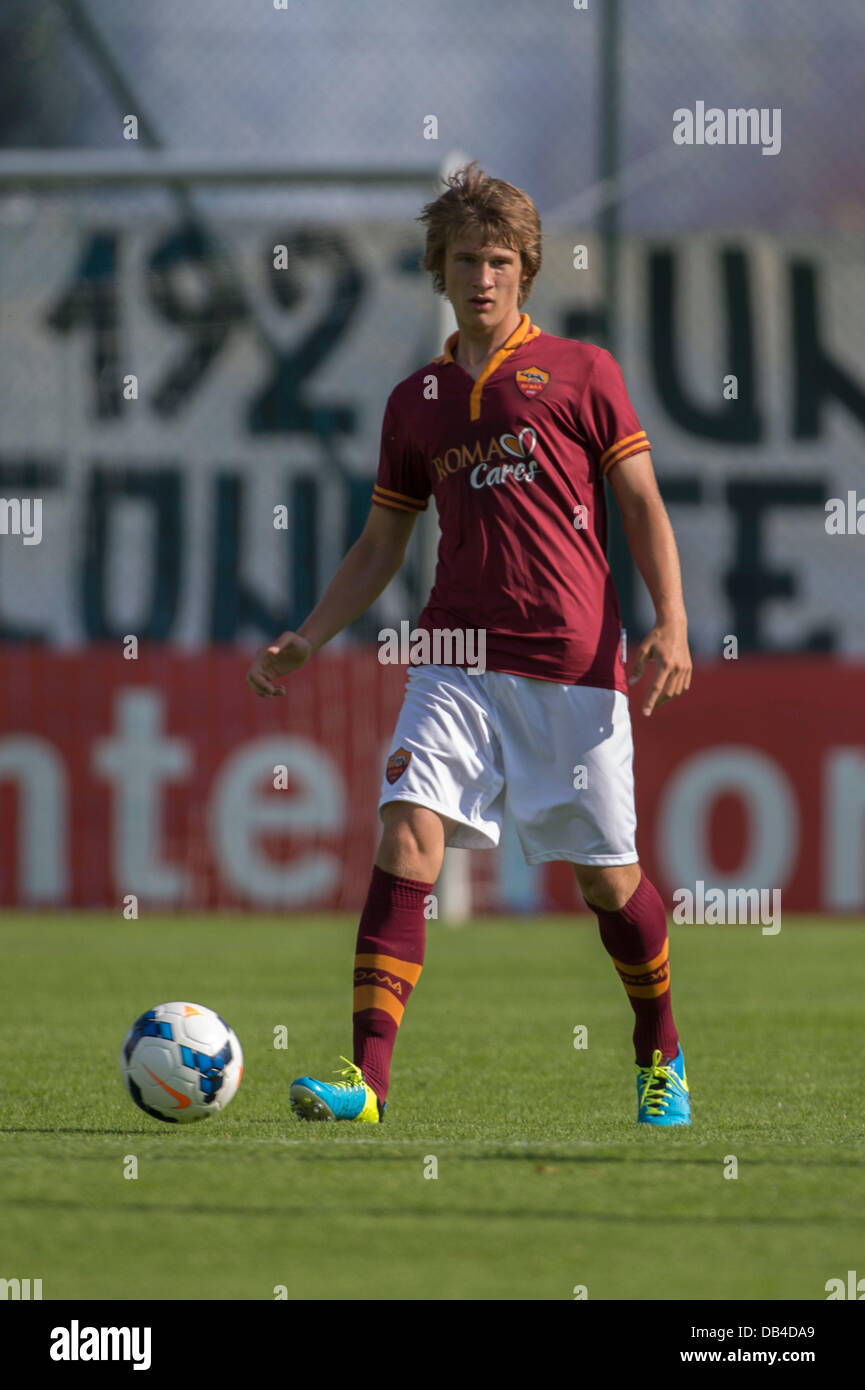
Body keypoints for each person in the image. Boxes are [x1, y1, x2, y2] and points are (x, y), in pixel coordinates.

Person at [245, 163, 693, 1127]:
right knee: (405, 830)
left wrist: (674, 621)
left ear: (525, 269)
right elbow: (380, 543)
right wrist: (309, 637)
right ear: (438, 271)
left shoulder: (583, 372)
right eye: (463, 260)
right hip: (451, 656)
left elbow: (641, 502)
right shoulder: (417, 401)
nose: (481, 276)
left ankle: (660, 1053)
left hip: (570, 662)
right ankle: (367, 1081)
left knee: (606, 880)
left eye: (497, 259)